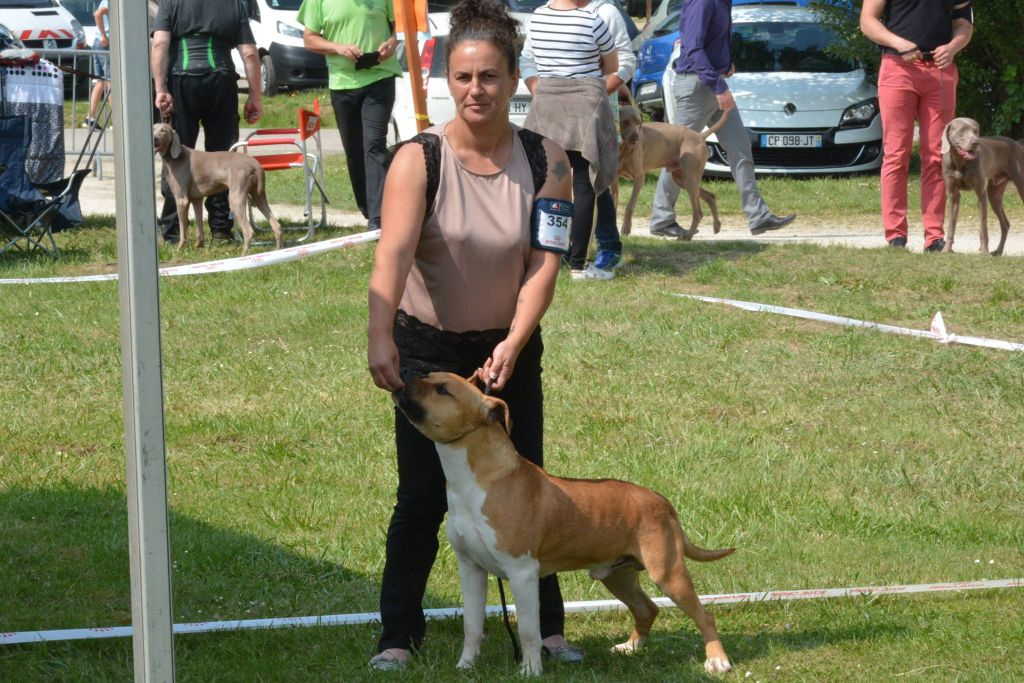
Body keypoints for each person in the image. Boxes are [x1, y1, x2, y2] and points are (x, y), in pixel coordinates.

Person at [366, 0, 577, 670]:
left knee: (528, 492)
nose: (475, 89)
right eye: (462, 77)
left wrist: (515, 341)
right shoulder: (417, 159)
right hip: (429, 353)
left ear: (515, 79)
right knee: (422, 498)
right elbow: (391, 259)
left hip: (509, 349)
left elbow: (545, 265)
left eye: (489, 76)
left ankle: (546, 632)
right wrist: (380, 337)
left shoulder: (549, 160)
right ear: (444, 80)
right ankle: (398, 634)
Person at [649, 0, 795, 240]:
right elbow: (693, 49)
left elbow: (710, 42)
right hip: (696, 86)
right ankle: (662, 219)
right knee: (678, 155)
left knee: (740, 147)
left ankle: (758, 215)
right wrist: (718, 86)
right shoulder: (703, 1)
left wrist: (725, 64)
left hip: (713, 82)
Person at [860, 0, 974, 252]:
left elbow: (964, 24)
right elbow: (867, 21)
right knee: (896, 153)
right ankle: (895, 236)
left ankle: (934, 237)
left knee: (938, 155)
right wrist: (900, 44)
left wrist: (953, 47)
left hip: (940, 71)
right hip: (898, 68)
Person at [520, 0, 620, 280]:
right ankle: (579, 265)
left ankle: (541, 255)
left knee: (547, 182)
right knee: (585, 184)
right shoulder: (592, 20)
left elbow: (531, 59)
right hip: (585, 104)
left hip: (548, 103)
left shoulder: (537, 17)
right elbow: (612, 66)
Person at [150, 0, 262, 243]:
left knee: (174, 155)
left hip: (182, 81)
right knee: (223, 156)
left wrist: (160, 88)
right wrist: (255, 96)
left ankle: (172, 231)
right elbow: (250, 54)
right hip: (221, 80)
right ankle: (221, 228)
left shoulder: (171, 3)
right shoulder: (234, 4)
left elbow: (159, 43)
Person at [299, 0, 400, 232]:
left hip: (380, 77)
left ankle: (378, 219)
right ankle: (368, 209)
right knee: (354, 151)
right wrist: (338, 48)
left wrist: (392, 43)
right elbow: (309, 38)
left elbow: (398, 29)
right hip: (342, 83)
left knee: (374, 145)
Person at [83, 0, 109, 130]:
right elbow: (98, 14)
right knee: (110, 82)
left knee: (101, 81)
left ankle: (90, 117)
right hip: (105, 43)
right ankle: (117, 120)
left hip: (97, 42)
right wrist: (104, 36)